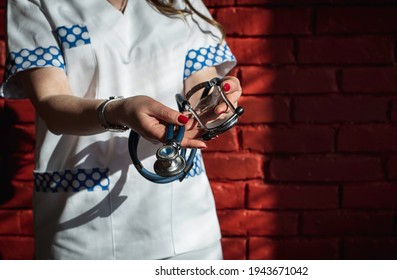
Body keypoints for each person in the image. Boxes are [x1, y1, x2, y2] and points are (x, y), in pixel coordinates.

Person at [1, 0, 242, 259]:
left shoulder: (180, 2)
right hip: (82, 227)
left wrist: (216, 102)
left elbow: (198, 89)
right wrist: (118, 111)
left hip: (185, 225)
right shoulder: (36, 2)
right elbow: (52, 106)